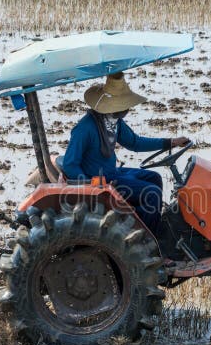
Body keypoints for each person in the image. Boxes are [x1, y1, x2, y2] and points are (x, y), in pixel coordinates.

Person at [61, 72, 190, 232]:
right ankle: (147, 240)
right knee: (152, 194)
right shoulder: (84, 129)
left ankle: (145, 222)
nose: (128, 108)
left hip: (113, 173)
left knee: (154, 178)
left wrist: (170, 142)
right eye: (124, 104)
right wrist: (94, 184)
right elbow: (70, 165)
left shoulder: (113, 122)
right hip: (101, 181)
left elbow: (135, 143)